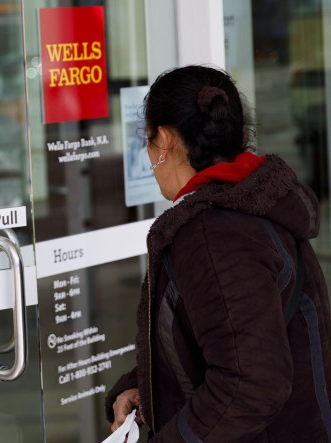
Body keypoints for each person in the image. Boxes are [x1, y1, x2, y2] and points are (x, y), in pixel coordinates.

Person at [106, 65, 331, 441]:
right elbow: (227, 338)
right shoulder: (249, 204)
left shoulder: (214, 234)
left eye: (145, 142)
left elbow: (252, 383)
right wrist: (145, 386)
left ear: (163, 140)